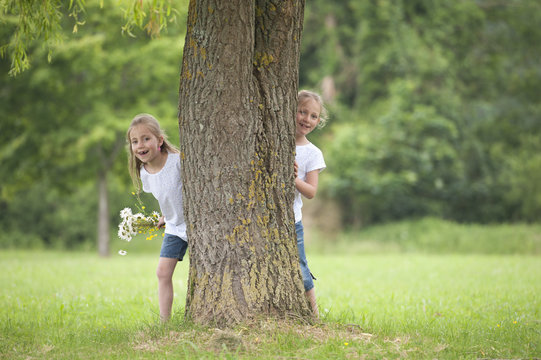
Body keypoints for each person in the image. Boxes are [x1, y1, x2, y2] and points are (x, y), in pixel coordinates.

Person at [126, 113, 188, 322]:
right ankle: (165, 322)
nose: (140, 145)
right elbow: (166, 196)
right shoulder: (144, 173)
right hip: (173, 227)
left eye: (146, 139)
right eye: (135, 141)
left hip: (195, 225)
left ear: (159, 140)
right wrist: (164, 216)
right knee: (162, 272)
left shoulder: (177, 162)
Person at [293, 90, 327, 317]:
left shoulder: (312, 153)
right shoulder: (271, 139)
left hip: (291, 220)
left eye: (313, 116)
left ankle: (314, 315)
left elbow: (312, 191)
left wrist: (293, 179)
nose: (307, 119)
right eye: (302, 112)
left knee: (301, 268)